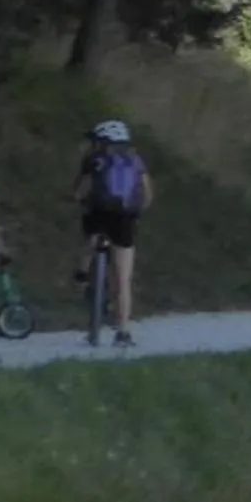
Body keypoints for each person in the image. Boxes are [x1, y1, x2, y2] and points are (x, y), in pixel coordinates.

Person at [69, 119, 153, 348]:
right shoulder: (136, 161)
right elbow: (147, 195)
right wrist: (136, 212)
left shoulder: (93, 160)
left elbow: (77, 191)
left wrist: (77, 198)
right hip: (126, 220)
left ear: (102, 142)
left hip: (98, 215)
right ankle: (123, 332)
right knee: (123, 279)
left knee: (90, 232)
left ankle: (82, 271)